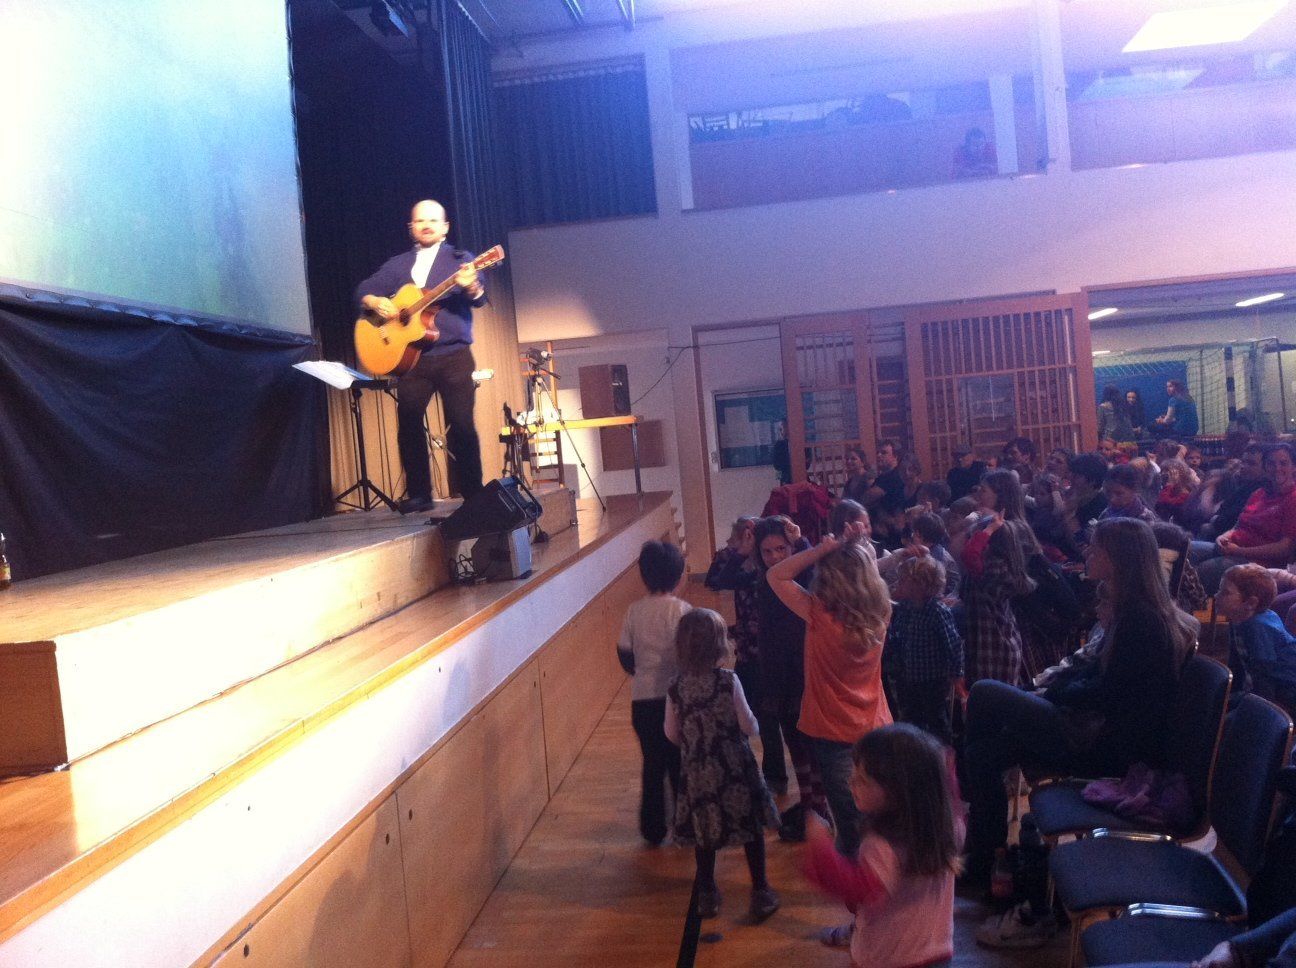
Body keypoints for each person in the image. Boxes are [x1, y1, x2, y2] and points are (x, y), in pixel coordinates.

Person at [966, 518, 1196, 947]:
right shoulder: (1134, 612)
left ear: (1119, 559)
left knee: (984, 694)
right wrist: (1054, 690)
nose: (1087, 554)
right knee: (987, 751)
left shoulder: (1141, 621)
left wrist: (1055, 691)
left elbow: (1105, 694)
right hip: (1096, 731)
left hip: (1104, 747)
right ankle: (986, 859)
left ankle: (982, 856)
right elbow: (1097, 676)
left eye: (1095, 548)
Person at [767, 522, 893, 858]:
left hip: (833, 730)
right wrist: (857, 548)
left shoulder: (818, 613)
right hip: (877, 726)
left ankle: (858, 887)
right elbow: (868, 571)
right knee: (877, 819)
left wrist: (823, 548)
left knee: (850, 828)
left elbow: (776, 575)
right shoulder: (882, 612)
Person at [354, 200, 487, 512]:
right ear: (411, 228)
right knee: (409, 425)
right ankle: (420, 494)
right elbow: (364, 289)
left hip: (454, 356)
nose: (427, 225)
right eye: (420, 221)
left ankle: (473, 493)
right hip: (414, 359)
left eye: (433, 220)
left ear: (445, 227)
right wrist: (374, 301)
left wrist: (471, 286)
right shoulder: (397, 265)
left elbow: (480, 298)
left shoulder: (461, 261)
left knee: (462, 424)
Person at [802, 724, 964, 967]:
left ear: (898, 790)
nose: (851, 782)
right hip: (937, 952)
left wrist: (820, 849)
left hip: (889, 956)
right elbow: (951, 802)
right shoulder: (949, 827)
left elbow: (859, 891)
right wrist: (946, 778)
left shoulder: (882, 845)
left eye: (863, 780)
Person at [665, 608, 781, 921]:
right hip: (735, 768)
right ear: (720, 645)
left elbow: (671, 733)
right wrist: (754, 726)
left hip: (698, 772)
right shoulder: (728, 681)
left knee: (704, 830)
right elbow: (747, 724)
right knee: (750, 826)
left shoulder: (675, 687)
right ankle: (761, 891)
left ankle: (706, 893)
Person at [751, 516, 829, 839]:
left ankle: (819, 804)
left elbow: (812, 571)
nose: (774, 557)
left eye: (781, 549)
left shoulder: (797, 576)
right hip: (778, 673)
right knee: (794, 741)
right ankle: (810, 802)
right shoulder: (763, 582)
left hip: (805, 668)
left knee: (812, 742)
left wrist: (802, 543)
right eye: (767, 551)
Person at [704, 516, 788, 793]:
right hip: (747, 653)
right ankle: (740, 773)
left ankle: (775, 777)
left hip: (770, 655)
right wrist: (742, 551)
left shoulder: (774, 575)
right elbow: (717, 580)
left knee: (768, 716)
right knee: (738, 714)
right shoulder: (746, 571)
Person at [616, 540, 689, 845]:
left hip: (643, 699)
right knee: (678, 763)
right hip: (676, 699)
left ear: (644, 575)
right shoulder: (681, 610)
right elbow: (689, 653)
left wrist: (640, 671)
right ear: (679, 575)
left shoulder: (634, 611)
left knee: (652, 763)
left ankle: (653, 829)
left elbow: (624, 654)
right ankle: (685, 825)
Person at [958, 470, 1038, 686]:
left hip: (994, 631)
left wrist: (984, 527)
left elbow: (993, 581)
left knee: (994, 694)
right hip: (982, 627)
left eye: (984, 491)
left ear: (1000, 495)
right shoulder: (990, 525)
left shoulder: (1007, 529)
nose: (978, 495)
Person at [1191, 444, 1296, 594]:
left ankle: (1198, 607)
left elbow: (1285, 548)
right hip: (1233, 550)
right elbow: (1237, 526)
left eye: (1283, 463)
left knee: (1205, 570)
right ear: (1265, 467)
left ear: (1294, 467)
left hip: (1259, 563)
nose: (1277, 468)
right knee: (1186, 549)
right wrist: (1224, 536)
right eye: (1271, 463)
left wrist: (1240, 551)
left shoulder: (1292, 498)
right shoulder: (1259, 493)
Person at [884, 555, 963, 743]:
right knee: (910, 719)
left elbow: (953, 644)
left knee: (936, 720)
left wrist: (957, 674)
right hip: (908, 675)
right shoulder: (905, 607)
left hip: (933, 678)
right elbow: (898, 634)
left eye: (903, 580)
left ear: (919, 585)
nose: (898, 584)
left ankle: (943, 753)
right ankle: (916, 753)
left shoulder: (937, 611)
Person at [1216, 564, 1296, 710]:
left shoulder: (1257, 627)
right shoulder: (1238, 618)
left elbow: (1264, 676)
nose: (1216, 596)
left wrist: (1255, 709)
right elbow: (1237, 662)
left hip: (1286, 687)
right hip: (1268, 685)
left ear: (1251, 603)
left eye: (1225, 592)